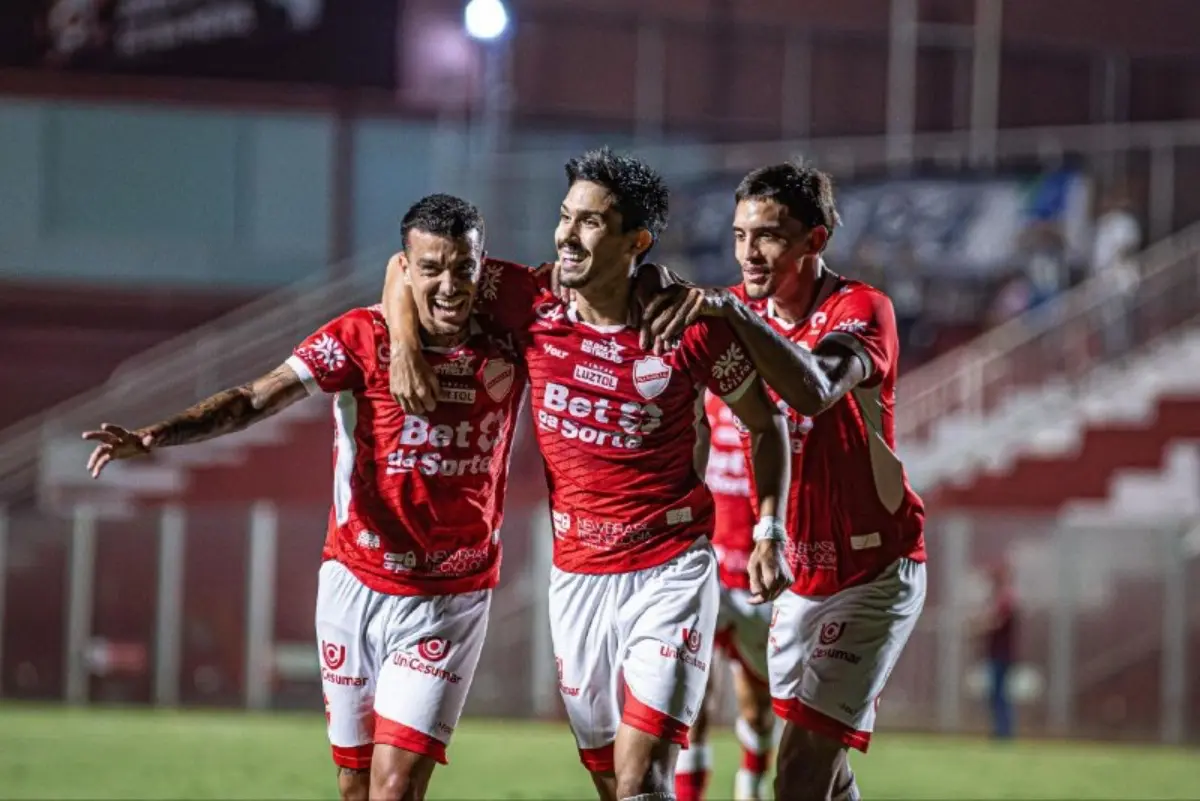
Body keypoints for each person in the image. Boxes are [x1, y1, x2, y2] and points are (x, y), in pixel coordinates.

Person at [82, 194, 527, 801]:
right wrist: (158, 435)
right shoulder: (358, 336)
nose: (449, 286)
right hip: (354, 582)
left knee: (395, 787)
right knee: (354, 783)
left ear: (482, 265)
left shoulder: (514, 336)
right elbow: (255, 397)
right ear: (405, 267)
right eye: (431, 269)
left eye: (463, 269)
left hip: (449, 596)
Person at [383, 147, 794, 801]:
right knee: (611, 781)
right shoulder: (529, 299)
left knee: (643, 777)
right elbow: (406, 266)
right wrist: (404, 350)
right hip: (577, 578)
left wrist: (770, 528)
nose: (567, 235)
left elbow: (765, 424)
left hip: (670, 571)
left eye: (591, 222)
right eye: (565, 216)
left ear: (637, 241)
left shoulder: (684, 325)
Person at [640, 160, 928, 801]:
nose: (749, 252)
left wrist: (733, 316)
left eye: (768, 235)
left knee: (797, 774)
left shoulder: (861, 308)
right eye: (740, 235)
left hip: (871, 570)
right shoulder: (732, 312)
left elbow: (816, 387)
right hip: (796, 578)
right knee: (823, 775)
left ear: (814, 239)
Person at [674, 391, 777, 801]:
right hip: (706, 572)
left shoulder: (773, 400)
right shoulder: (704, 395)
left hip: (755, 579)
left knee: (757, 707)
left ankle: (751, 787)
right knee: (691, 703)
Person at [976, 563, 1017, 740]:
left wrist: (978, 627)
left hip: (1002, 654)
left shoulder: (1005, 599)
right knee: (996, 694)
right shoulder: (997, 599)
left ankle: (1003, 731)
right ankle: (1000, 730)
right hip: (996, 653)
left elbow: (996, 622)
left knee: (999, 694)